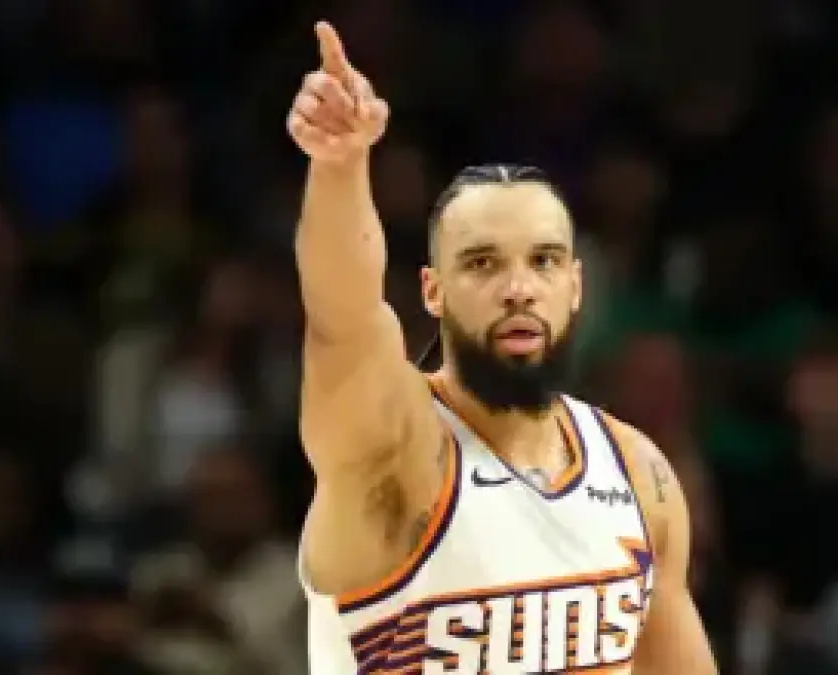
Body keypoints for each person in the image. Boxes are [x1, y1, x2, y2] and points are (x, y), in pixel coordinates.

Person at [287, 21, 717, 675]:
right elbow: (341, 317)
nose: (519, 289)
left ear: (576, 285)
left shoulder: (638, 472)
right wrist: (340, 167)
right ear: (432, 290)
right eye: (482, 263)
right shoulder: (395, 450)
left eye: (543, 261)